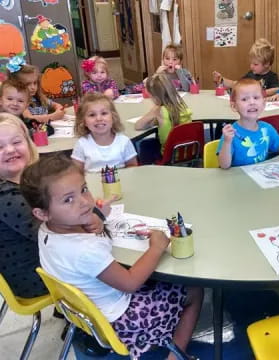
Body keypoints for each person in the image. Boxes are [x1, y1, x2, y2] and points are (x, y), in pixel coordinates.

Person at [20, 154, 203, 359]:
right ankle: (176, 356)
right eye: (68, 199)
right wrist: (157, 247)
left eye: (83, 189)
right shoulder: (85, 250)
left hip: (88, 313)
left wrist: (96, 223)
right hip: (122, 319)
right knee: (194, 290)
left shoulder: (47, 229)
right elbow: (130, 283)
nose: (84, 202)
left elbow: (86, 243)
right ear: (42, 213)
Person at [0, 113, 105, 298]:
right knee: (109, 264)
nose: (9, 150)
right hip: (35, 276)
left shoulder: (29, 179)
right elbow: (68, 231)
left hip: (45, 262)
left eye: (16, 142)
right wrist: (95, 214)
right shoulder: (6, 197)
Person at [217, 78, 279, 169]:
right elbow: (224, 165)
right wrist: (227, 142)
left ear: (263, 103)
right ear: (234, 106)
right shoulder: (230, 134)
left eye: (256, 98)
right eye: (244, 99)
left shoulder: (267, 128)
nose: (252, 102)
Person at [72, 93, 138, 172]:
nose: (99, 118)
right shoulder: (82, 144)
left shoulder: (124, 141)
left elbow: (132, 167)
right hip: (93, 184)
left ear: (113, 117)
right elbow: (77, 172)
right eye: (92, 115)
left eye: (104, 113)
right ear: (84, 121)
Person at [135, 73, 193, 155]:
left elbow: (138, 126)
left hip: (169, 155)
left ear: (153, 96)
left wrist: (153, 112)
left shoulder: (158, 110)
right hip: (189, 152)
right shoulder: (182, 106)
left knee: (145, 144)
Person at [213, 38, 279, 97]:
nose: (251, 66)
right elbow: (236, 84)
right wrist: (221, 80)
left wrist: (260, 93)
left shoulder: (272, 76)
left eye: (255, 64)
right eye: (251, 63)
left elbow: (277, 89)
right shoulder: (250, 74)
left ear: (266, 64)